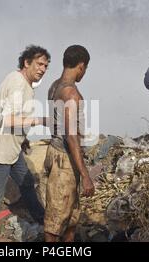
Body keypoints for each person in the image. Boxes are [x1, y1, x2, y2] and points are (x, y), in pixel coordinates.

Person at [0, 45, 50, 242]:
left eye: (46, 66)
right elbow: (7, 120)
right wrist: (41, 120)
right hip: (0, 151)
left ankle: (43, 221)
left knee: (26, 183)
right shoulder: (18, 85)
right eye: (39, 64)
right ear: (26, 63)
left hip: (12, 147)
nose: (42, 69)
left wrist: (23, 137)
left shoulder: (20, 81)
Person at [44, 45, 95, 242]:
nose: (85, 72)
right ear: (81, 66)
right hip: (64, 160)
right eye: (86, 68)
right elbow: (71, 136)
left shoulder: (54, 86)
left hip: (56, 153)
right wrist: (86, 176)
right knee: (55, 223)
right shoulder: (71, 94)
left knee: (71, 219)